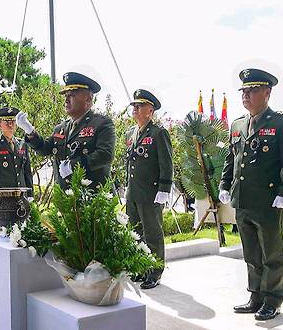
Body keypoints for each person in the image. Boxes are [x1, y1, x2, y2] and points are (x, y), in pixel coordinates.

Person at [219, 68, 283, 321]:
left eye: (252, 90)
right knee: (251, 253)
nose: (246, 95)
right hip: (243, 200)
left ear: (267, 92)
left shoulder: (282, 123)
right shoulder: (237, 124)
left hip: (268, 202)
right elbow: (231, 159)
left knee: (272, 253)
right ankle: (255, 295)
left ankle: (273, 299)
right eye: (244, 91)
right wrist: (224, 184)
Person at [16, 72, 115, 189]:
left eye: (72, 95)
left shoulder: (101, 123)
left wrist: (72, 166)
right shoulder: (61, 128)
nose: (66, 100)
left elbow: (105, 155)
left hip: (92, 197)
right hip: (65, 197)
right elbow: (45, 149)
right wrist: (30, 132)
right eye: (65, 95)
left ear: (88, 99)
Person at [124, 89, 173, 290]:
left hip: (151, 193)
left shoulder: (158, 133)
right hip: (133, 192)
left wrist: (164, 188)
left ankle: (154, 271)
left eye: (140, 106)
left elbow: (166, 163)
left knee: (152, 233)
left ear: (150, 111)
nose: (135, 109)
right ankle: (140, 268)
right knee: (135, 232)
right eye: (134, 105)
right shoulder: (131, 132)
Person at [0, 107, 33, 196]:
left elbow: (27, 172)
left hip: (22, 196)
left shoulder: (23, 144)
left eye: (13, 121)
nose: (10, 124)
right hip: (4, 198)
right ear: (0, 125)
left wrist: (30, 195)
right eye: (7, 122)